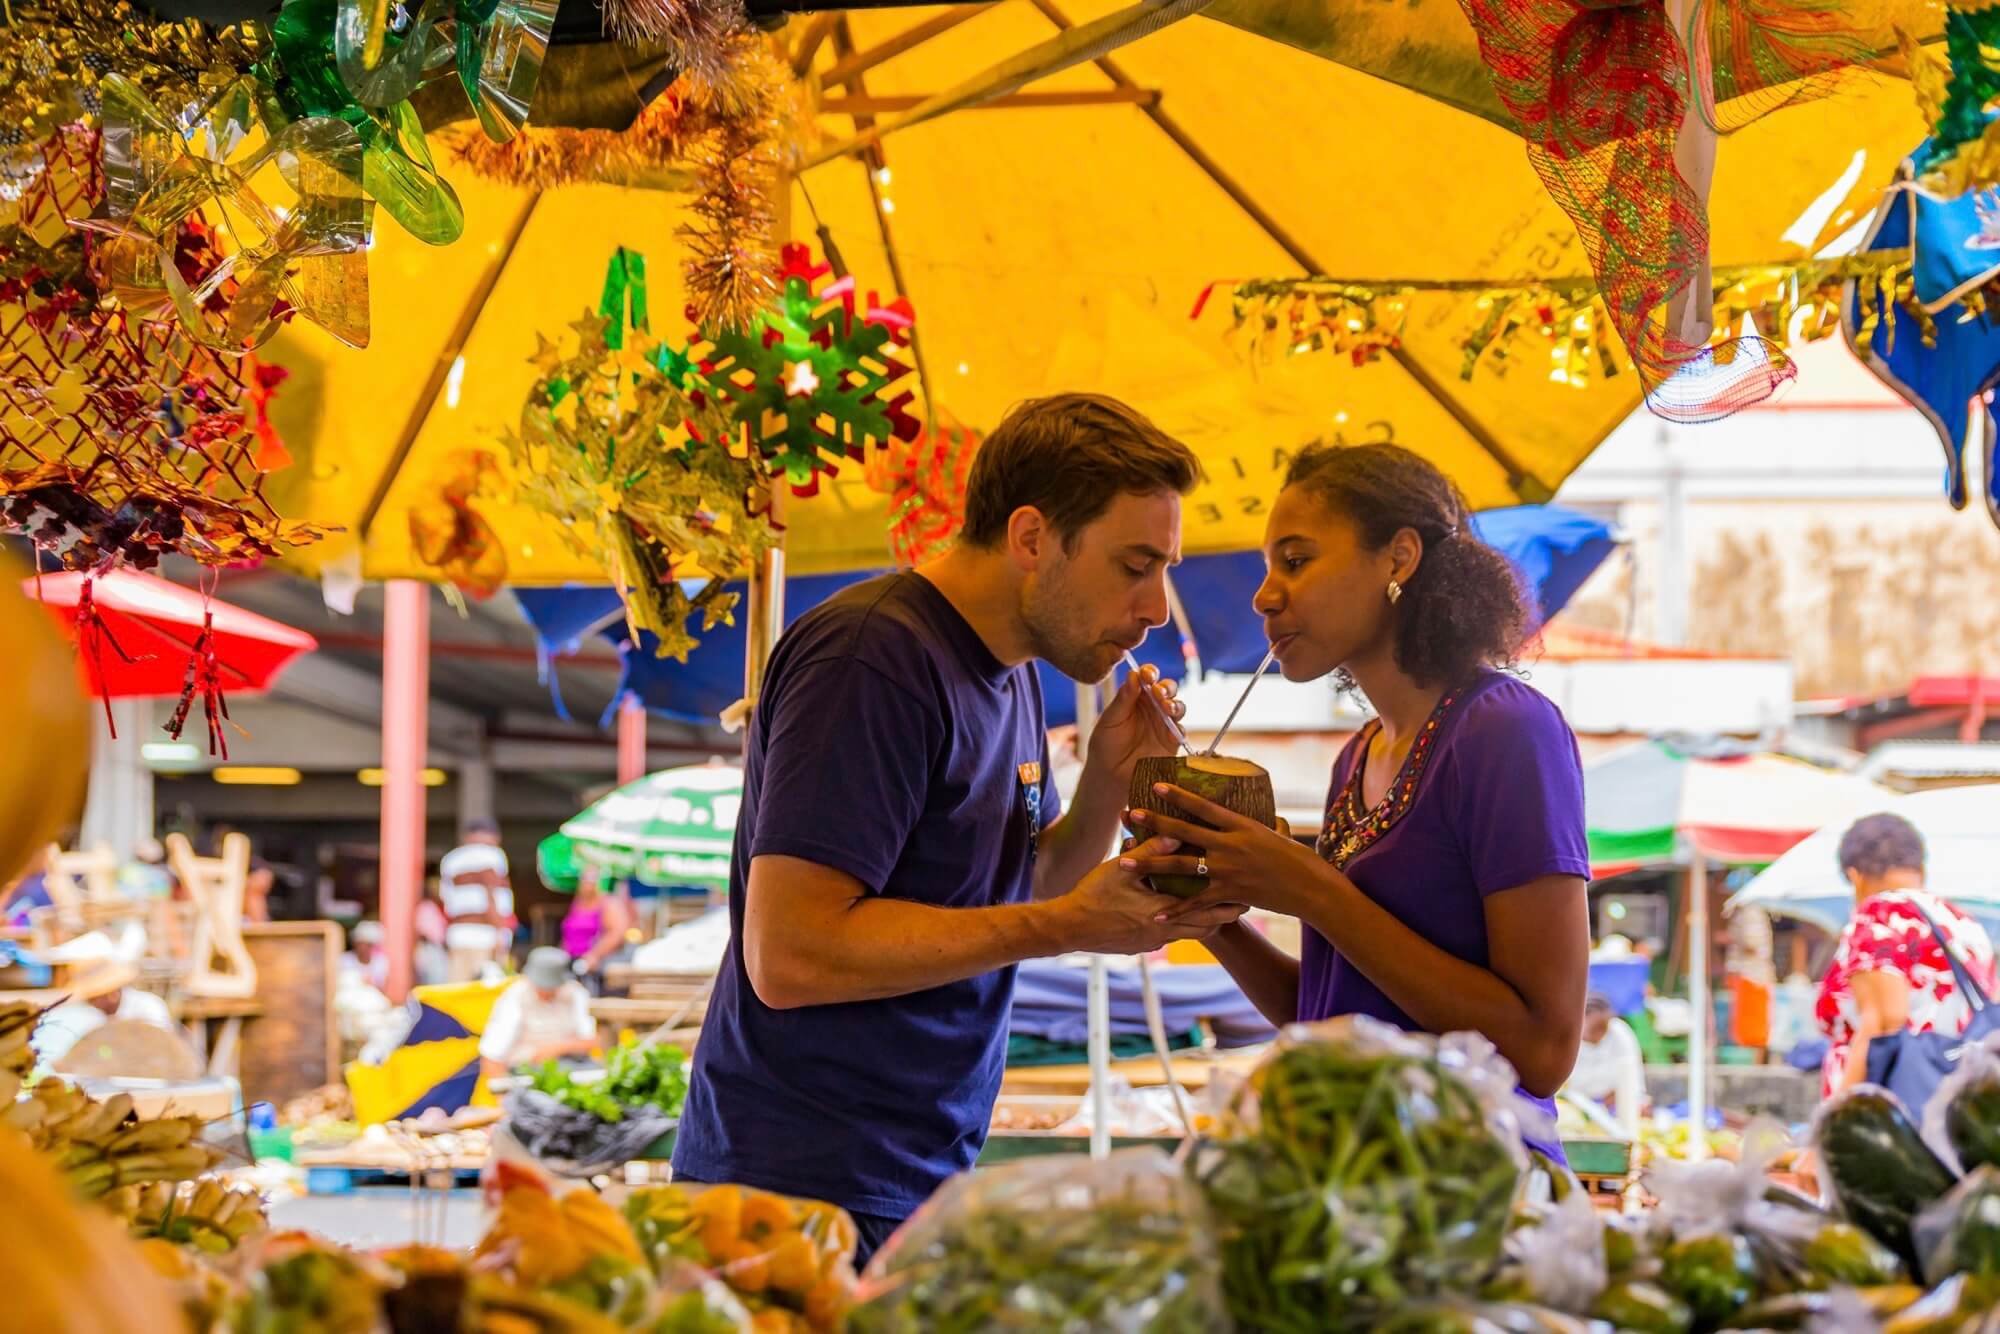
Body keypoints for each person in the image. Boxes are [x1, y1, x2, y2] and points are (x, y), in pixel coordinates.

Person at [673, 392, 1236, 1267]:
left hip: (910, 1178)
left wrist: (1102, 788)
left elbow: (1029, 884)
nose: (1156, 607)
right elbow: (789, 956)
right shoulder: (872, 658)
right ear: (1031, 537)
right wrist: (1070, 927)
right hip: (797, 1193)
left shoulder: (1008, 674)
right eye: (1135, 565)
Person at [1126, 442, 1592, 1153]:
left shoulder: (1505, 730)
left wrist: (1311, 889)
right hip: (1356, 1185)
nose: (1264, 595)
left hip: (1471, 1194)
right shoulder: (1359, 756)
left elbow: (1544, 1051)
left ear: (1398, 559)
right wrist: (1212, 911)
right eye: (1267, 566)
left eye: (1296, 559)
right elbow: (1327, 1016)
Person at [1815, 812, 1998, 1096]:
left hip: (1897, 1111)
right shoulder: (1964, 923)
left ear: (1855, 877)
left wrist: (1834, 1119)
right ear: (1919, 868)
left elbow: (1884, 1023)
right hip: (1960, 1104)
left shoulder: (1879, 914)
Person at [478, 947, 598, 1078]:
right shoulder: (515, 998)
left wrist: (557, 1048)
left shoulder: (574, 993)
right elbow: (492, 1054)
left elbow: (591, 1040)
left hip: (573, 1067)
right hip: (526, 1073)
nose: (546, 990)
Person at [32, 957, 174, 1066]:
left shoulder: (148, 1007)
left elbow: (157, 1049)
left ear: (110, 994)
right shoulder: (99, 1019)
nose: (91, 1004)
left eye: (93, 998)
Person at [440, 819, 515, 981]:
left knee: (458, 992)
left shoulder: (450, 859)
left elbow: (446, 901)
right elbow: (491, 894)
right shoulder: (492, 855)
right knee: (484, 993)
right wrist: (501, 932)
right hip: (485, 936)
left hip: (457, 935)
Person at [1565, 994, 1646, 1139]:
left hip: (1613, 1106)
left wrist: (1632, 1098)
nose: (1600, 1032)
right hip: (1575, 1107)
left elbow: (1631, 1076)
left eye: (1604, 1026)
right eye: (1595, 1027)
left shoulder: (1620, 1033)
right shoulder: (1568, 1037)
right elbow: (1563, 1086)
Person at [561, 870, 634, 993]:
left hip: (597, 966)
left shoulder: (609, 903)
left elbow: (617, 933)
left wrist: (595, 955)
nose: (587, 884)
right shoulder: (578, 903)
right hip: (574, 961)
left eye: (592, 880)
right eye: (584, 880)